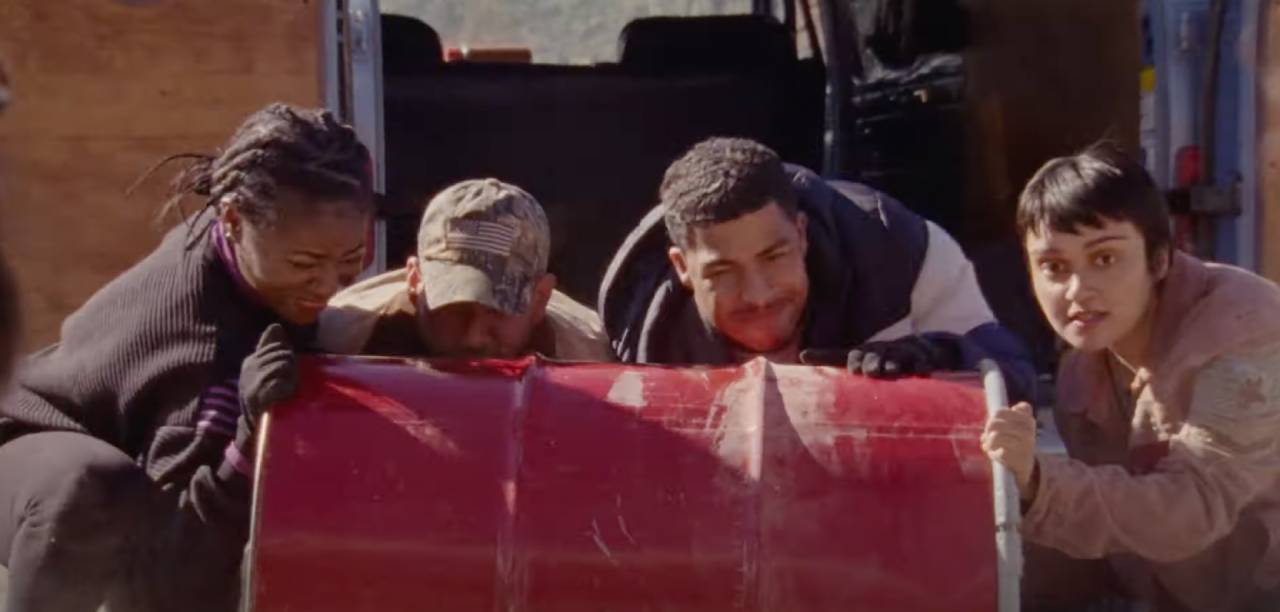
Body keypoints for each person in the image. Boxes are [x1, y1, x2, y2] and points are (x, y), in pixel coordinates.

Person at [0, 102, 374, 612]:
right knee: (89, 490)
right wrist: (246, 437)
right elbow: (172, 584)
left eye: (352, 259)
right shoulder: (204, 351)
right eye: (305, 264)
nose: (330, 285)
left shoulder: (235, 244)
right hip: (23, 452)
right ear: (235, 221)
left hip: (125, 445)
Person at [983, 143, 1280, 612]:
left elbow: (1194, 508)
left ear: (1159, 259)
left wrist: (1041, 484)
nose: (1077, 290)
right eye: (1054, 267)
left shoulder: (1247, 329)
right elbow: (1102, 540)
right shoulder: (1083, 368)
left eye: (1104, 259)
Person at [599, 137, 1033, 398]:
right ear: (682, 268)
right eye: (722, 271)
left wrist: (939, 358)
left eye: (774, 256)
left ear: (802, 234)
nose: (758, 294)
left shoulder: (904, 255)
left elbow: (1017, 384)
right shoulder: (639, 336)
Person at [318, 178, 613, 361]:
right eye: (454, 306)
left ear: (540, 300)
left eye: (498, 309)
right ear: (415, 280)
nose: (473, 338)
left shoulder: (591, 357)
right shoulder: (335, 338)